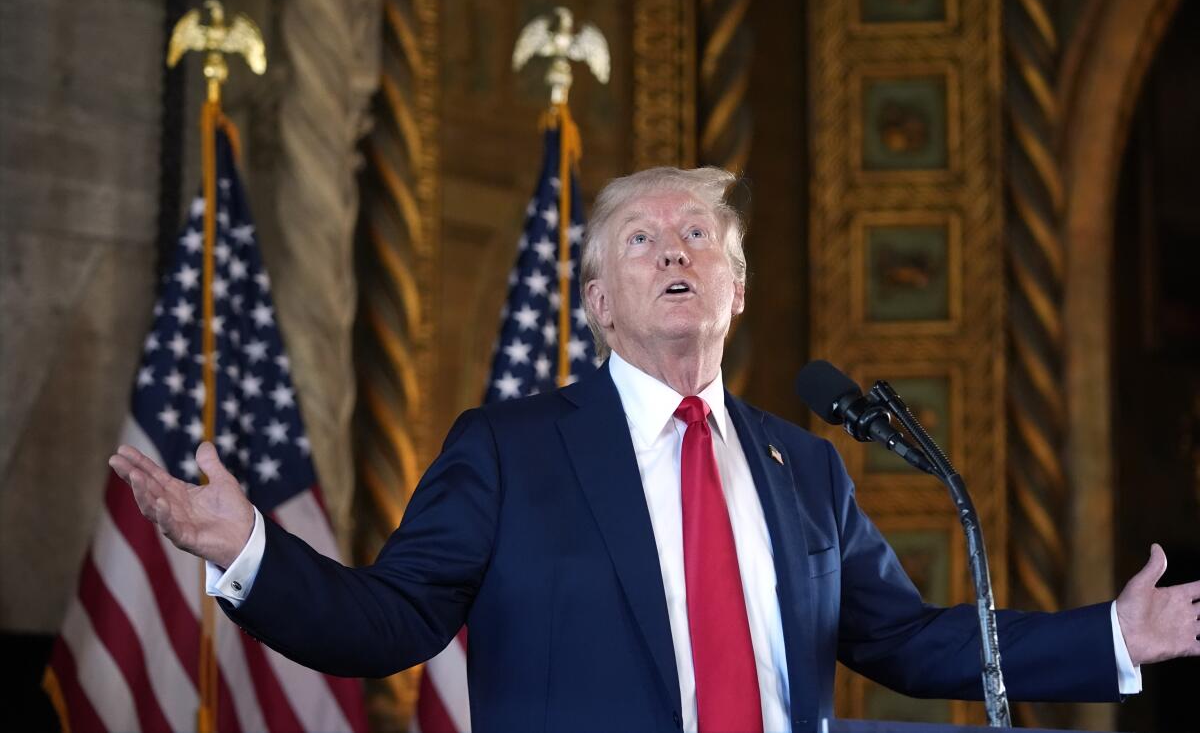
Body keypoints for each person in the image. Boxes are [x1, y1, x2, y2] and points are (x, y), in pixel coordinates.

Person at [111, 167, 1200, 733]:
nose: (675, 251)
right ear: (598, 302)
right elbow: (388, 621)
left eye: (699, 240)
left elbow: (909, 640)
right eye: (644, 239)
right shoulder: (508, 450)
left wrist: (1115, 633)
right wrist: (247, 544)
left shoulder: (804, 466)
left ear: (734, 290)